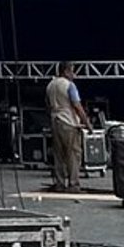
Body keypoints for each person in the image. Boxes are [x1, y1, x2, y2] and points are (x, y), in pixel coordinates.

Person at [45, 62, 86, 192]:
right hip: (68, 122)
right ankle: (74, 184)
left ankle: (60, 183)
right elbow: (77, 106)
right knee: (73, 154)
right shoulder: (69, 85)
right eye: (72, 71)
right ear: (66, 71)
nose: (74, 74)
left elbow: (47, 104)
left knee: (59, 155)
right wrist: (87, 123)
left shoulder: (50, 85)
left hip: (55, 121)